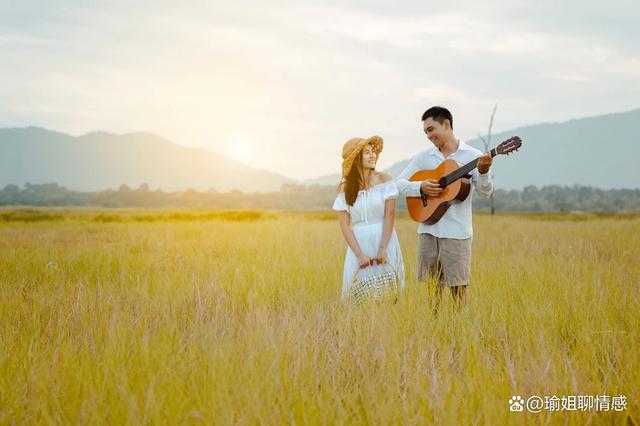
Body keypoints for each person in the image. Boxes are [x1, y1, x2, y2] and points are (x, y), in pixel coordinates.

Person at [397, 106, 493, 303]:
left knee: (459, 289)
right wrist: (420, 187)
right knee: (432, 291)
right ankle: (434, 330)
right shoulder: (424, 157)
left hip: (457, 232)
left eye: (431, 129)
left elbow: (485, 192)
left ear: (446, 124)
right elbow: (398, 184)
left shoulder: (474, 156)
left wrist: (483, 172)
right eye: (425, 132)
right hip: (428, 230)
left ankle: (459, 331)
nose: (428, 135)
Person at [333, 136, 405, 302]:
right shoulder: (345, 188)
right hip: (358, 243)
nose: (373, 155)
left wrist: (383, 248)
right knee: (357, 294)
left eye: (373, 152)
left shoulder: (384, 179)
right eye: (367, 153)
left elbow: (389, 215)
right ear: (356, 159)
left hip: (384, 239)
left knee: (389, 292)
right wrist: (359, 255)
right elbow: (344, 225)